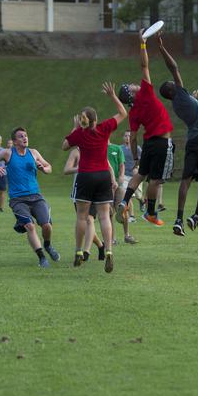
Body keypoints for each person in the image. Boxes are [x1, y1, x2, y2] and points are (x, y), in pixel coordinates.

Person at [156, 33, 198, 236]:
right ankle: (197, 215)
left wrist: (193, 98)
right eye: (172, 84)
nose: (174, 82)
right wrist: (162, 48)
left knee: (186, 180)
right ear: (172, 90)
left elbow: (189, 102)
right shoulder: (180, 94)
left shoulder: (178, 102)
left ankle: (179, 219)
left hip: (192, 140)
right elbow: (174, 67)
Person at [63, 82, 127, 272]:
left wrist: (75, 129)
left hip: (85, 176)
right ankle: (108, 251)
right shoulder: (104, 128)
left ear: (82, 120)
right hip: (102, 176)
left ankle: (78, 251)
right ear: (95, 118)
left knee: (82, 216)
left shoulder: (79, 135)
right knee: (104, 216)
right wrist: (113, 96)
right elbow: (123, 113)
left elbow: (64, 146)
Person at [116, 30, 175, 226]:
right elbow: (144, 64)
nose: (135, 84)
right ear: (131, 94)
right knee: (156, 180)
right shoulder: (146, 93)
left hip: (148, 143)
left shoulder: (133, 113)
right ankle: (150, 212)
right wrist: (142, 44)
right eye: (131, 86)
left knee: (140, 174)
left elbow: (132, 138)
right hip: (161, 141)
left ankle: (124, 202)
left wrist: (135, 158)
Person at [0, 127, 60, 268]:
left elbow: (49, 167)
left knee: (47, 226)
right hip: (18, 199)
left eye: (25, 135)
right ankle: (42, 257)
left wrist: (44, 169)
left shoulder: (33, 153)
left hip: (36, 197)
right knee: (30, 226)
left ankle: (48, 246)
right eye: (21, 136)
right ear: (14, 141)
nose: (24, 138)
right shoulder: (8, 153)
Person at [64, 147, 107, 262]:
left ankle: (86, 252)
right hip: (80, 191)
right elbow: (66, 170)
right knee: (85, 222)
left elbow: (107, 165)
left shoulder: (96, 147)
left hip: (96, 188)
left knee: (89, 220)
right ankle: (100, 245)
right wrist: (81, 168)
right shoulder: (76, 152)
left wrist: (112, 179)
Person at [108, 139, 136, 244]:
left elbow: (122, 164)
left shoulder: (116, 148)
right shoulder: (98, 148)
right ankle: (112, 239)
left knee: (122, 208)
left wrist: (121, 176)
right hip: (105, 184)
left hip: (118, 184)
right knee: (109, 213)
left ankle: (127, 235)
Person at [120, 131, 143, 221]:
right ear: (123, 137)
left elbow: (143, 158)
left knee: (138, 196)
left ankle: (142, 201)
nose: (127, 137)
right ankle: (132, 216)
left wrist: (137, 167)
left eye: (129, 136)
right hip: (125, 175)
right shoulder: (120, 148)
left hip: (135, 176)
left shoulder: (137, 148)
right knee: (127, 195)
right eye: (125, 136)